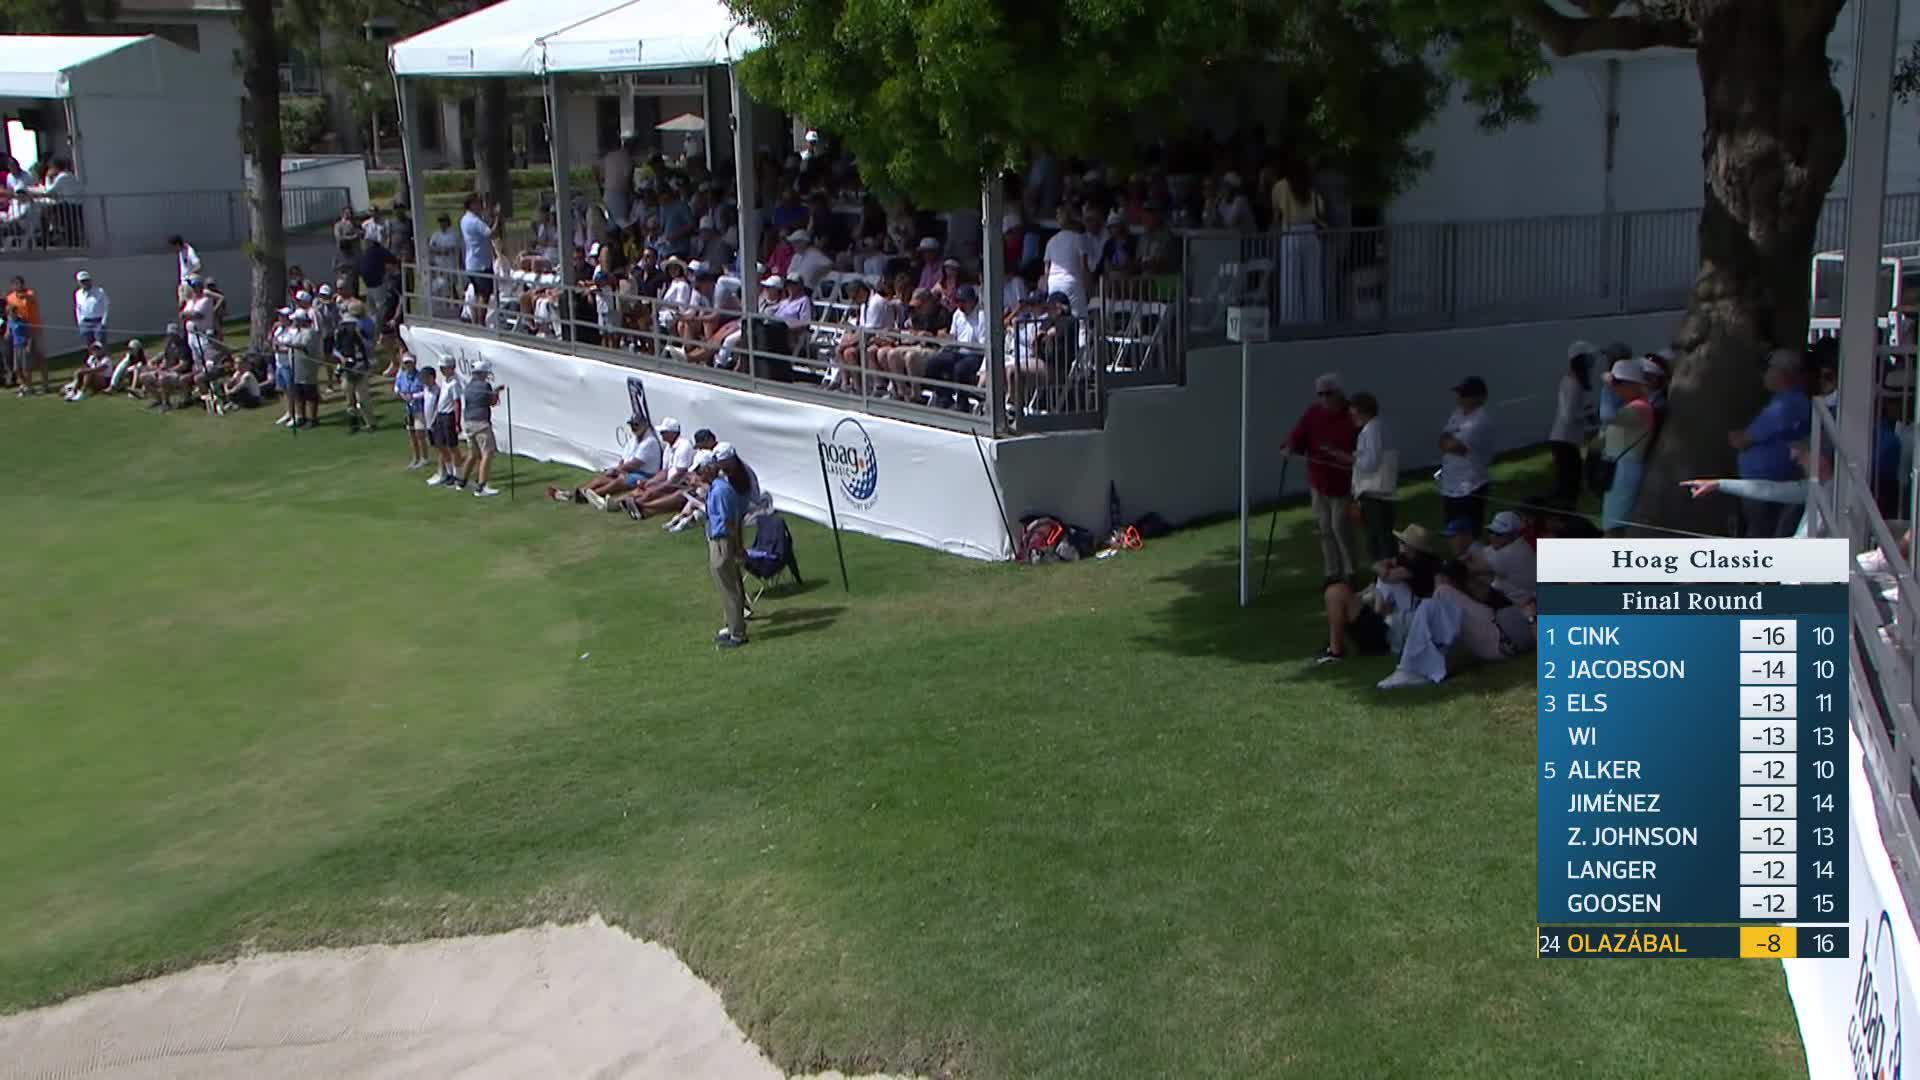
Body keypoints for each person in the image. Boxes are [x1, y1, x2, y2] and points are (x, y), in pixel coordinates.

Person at [1729, 348, 1811, 538]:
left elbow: (1743, 440)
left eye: (1769, 369)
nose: (1765, 374)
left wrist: (1737, 437)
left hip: (1766, 486)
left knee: (1760, 538)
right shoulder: (1784, 401)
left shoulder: (1787, 404)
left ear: (1782, 373)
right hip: (1765, 485)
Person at [1286, 373, 1359, 584]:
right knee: (1325, 528)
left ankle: (1351, 571)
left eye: (1329, 393)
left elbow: (1361, 448)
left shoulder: (1350, 414)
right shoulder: (1313, 413)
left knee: (1340, 527)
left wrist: (1338, 454)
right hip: (1319, 482)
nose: (1324, 398)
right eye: (1320, 394)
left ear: (1339, 392)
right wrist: (1290, 445)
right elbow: (1298, 435)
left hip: (1344, 482)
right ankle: (1332, 572)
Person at [1597, 356, 1656, 536]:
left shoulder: (1638, 408)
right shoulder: (1633, 406)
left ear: (1633, 384)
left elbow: (1607, 423)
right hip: (1620, 472)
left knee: (1615, 525)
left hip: (1624, 475)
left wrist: (1607, 389)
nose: (1616, 388)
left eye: (1618, 383)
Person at [553, 414, 663, 508]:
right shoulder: (634, 439)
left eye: (636, 425)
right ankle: (573, 494)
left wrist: (617, 470)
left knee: (618, 481)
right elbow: (624, 459)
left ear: (645, 425)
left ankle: (589, 495)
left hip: (645, 475)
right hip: (632, 471)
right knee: (601, 479)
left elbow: (636, 463)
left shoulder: (650, 442)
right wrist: (618, 470)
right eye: (632, 425)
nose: (633, 427)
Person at [1343, 391, 1397, 563]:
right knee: (1377, 536)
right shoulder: (1373, 428)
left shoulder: (1372, 429)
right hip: (1374, 493)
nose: (1351, 416)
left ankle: (1385, 576)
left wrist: (1351, 458)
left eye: (1353, 412)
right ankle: (1382, 577)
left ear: (1362, 410)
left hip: (1376, 493)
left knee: (1379, 538)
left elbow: (1371, 462)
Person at [706, 444, 751, 649]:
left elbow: (731, 522)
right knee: (726, 586)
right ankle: (732, 626)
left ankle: (737, 633)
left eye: (699, 470)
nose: (696, 475)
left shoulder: (721, 491)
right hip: (719, 540)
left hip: (723, 541)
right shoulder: (717, 488)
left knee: (730, 586)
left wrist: (737, 546)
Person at [1437, 375, 1494, 534]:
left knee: (1469, 531)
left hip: (1471, 485)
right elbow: (1442, 440)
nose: (1460, 398)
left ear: (1479, 397)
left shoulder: (1480, 420)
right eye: (1460, 393)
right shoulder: (1457, 414)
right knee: (1452, 531)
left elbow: (1457, 447)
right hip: (1451, 484)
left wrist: (1448, 441)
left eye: (1465, 394)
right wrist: (1447, 441)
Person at [1273, 162, 1325, 322]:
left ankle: (1291, 321)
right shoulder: (1310, 187)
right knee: (1313, 281)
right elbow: (1321, 210)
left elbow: (1277, 209)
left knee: (1290, 282)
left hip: (1291, 232)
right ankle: (1315, 319)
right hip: (1310, 232)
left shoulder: (1282, 185)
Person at [1548, 342, 1597, 505]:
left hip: (1568, 440)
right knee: (1567, 485)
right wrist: (1588, 414)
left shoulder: (1573, 381)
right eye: (1589, 358)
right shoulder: (1573, 383)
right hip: (1564, 440)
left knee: (1569, 483)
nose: (1592, 362)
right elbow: (1568, 415)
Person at [457, 359, 504, 498]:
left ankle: (461, 482)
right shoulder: (485, 386)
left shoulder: (469, 386)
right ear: (481, 373)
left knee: (473, 454)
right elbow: (492, 402)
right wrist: (496, 393)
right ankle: (481, 486)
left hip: (468, 422)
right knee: (487, 453)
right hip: (481, 423)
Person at [1042, 205, 1092, 317]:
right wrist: (1088, 290)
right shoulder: (1078, 238)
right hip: (1072, 283)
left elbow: (1046, 271)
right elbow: (1084, 267)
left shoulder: (1051, 241)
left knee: (1057, 319)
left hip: (1054, 283)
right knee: (1080, 320)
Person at [459, 193, 500, 326]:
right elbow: (491, 234)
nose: (480, 205)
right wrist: (497, 217)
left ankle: (476, 322)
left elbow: (483, 229)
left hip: (471, 263)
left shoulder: (465, 219)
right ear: (471, 204)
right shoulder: (474, 221)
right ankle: (481, 322)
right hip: (481, 264)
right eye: (478, 203)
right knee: (484, 295)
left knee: (477, 295)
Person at [333, 305, 375, 433]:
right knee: (349, 399)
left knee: (363, 398)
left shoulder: (362, 331)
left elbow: (368, 347)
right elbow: (335, 350)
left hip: (361, 368)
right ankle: (354, 424)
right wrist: (342, 359)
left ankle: (370, 423)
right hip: (347, 369)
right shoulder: (340, 332)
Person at [425, 360, 466, 487]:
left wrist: (457, 422)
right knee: (441, 445)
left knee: (453, 447)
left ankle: (458, 475)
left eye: (444, 367)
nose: (442, 370)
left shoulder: (454, 383)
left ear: (451, 368)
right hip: (441, 415)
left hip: (449, 416)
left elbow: (456, 403)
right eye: (441, 368)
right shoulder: (445, 382)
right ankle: (449, 472)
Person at [5, 275, 42, 396]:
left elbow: (31, 297)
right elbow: (9, 331)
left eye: (18, 284)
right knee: (17, 369)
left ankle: (29, 387)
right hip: (16, 346)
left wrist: (29, 344)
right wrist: (6, 335)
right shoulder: (11, 320)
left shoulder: (23, 321)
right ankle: (25, 386)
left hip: (25, 344)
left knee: (27, 368)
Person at [393, 353, 429, 469]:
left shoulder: (420, 376)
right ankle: (415, 457)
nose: (408, 365)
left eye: (410, 362)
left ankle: (424, 458)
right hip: (408, 409)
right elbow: (397, 387)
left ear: (414, 363)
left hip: (419, 409)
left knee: (420, 433)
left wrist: (414, 396)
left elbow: (426, 391)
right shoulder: (401, 376)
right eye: (406, 363)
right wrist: (401, 394)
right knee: (411, 434)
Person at [73, 269, 108, 348]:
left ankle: (104, 360)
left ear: (90, 281)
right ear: (78, 283)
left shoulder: (99, 291)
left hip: (98, 321)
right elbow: (78, 308)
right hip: (85, 322)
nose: (85, 283)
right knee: (89, 344)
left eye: (86, 280)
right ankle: (92, 359)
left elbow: (106, 307)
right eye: (82, 281)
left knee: (100, 344)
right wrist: (80, 322)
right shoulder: (78, 294)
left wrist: (103, 322)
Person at [169, 235, 202, 305]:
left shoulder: (189, 251)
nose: (173, 249)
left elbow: (198, 266)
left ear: (177, 244)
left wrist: (189, 275)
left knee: (186, 306)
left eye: (173, 247)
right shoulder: (181, 251)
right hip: (182, 283)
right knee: (181, 305)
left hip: (188, 283)